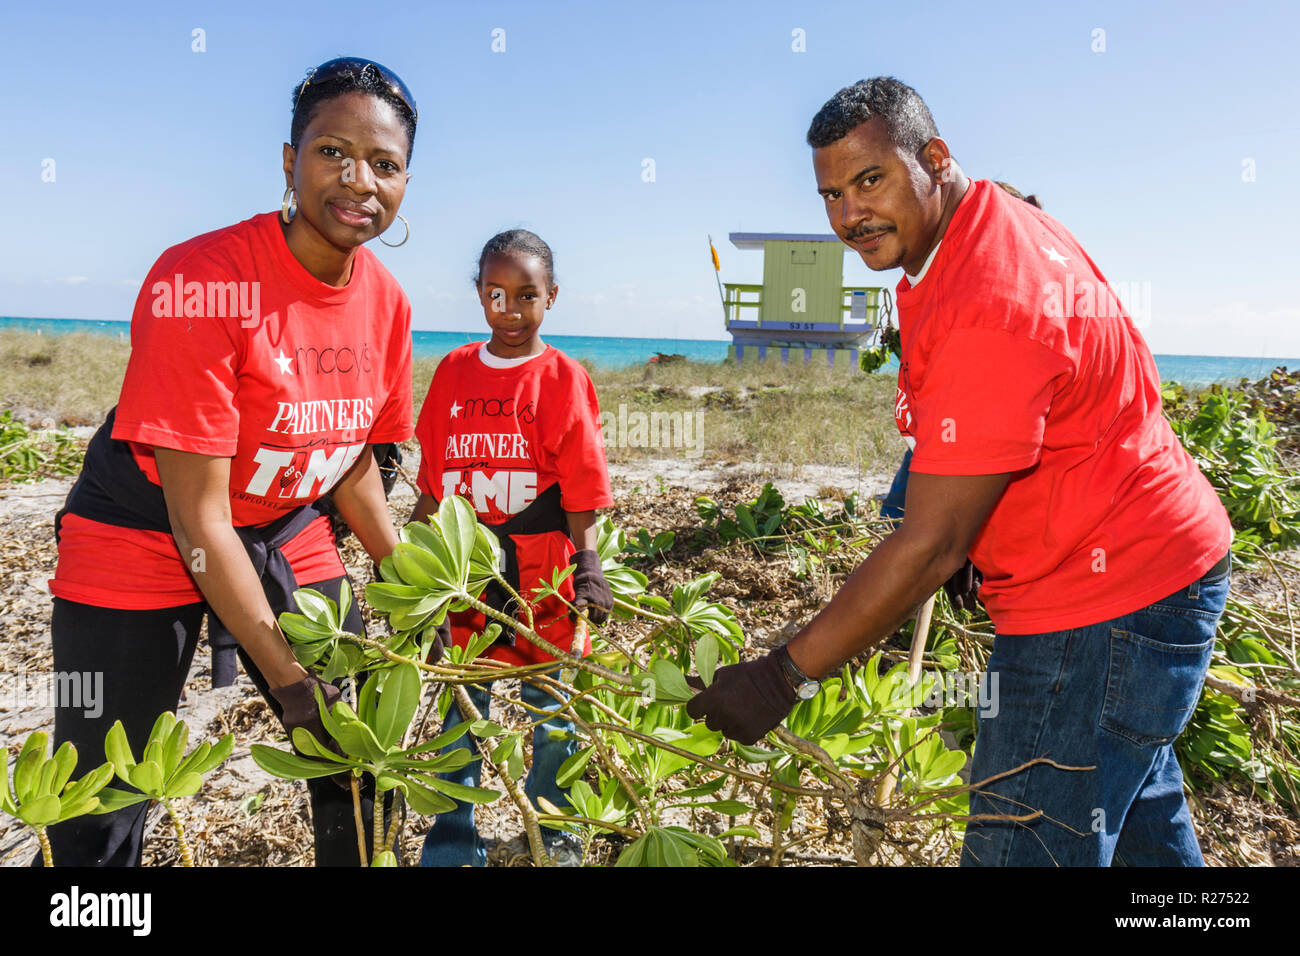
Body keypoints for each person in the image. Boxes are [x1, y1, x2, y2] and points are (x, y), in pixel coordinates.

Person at [687, 77, 1233, 867]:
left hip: (1103, 607)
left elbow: (933, 545)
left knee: (1023, 847)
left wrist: (783, 678)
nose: (848, 216)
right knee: (1139, 825)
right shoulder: (990, 223)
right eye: (830, 193)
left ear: (934, 159)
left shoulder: (989, 298)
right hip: (1158, 571)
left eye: (869, 180)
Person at [44, 57, 421, 866]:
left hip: (285, 521)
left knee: (358, 760)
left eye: (385, 164)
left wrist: (423, 584)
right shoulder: (202, 281)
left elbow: (350, 456)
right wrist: (287, 684)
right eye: (332, 152)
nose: (360, 180)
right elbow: (199, 518)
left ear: (405, 183)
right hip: (148, 527)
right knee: (103, 798)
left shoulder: (387, 301)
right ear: (289, 162)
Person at [409, 229, 614, 867]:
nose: (511, 310)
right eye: (496, 295)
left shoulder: (563, 378)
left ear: (551, 297)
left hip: (544, 573)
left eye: (527, 296)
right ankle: (450, 838)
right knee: (462, 706)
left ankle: (554, 829)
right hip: (465, 574)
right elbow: (432, 480)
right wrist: (414, 568)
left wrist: (591, 569)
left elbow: (582, 486)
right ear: (479, 295)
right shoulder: (452, 371)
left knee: (552, 710)